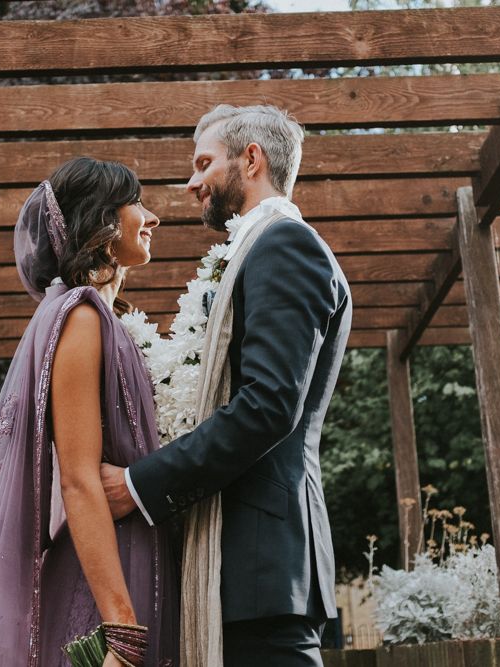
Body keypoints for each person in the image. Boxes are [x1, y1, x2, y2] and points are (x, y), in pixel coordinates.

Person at [100, 105, 352, 666]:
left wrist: (138, 484)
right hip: (242, 564)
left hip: (259, 561)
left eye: (204, 163)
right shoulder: (254, 250)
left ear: (252, 159)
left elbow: (268, 406)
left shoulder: (286, 245)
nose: (191, 182)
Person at [0, 157, 180, 667]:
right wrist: (121, 629)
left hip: (135, 555)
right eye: (137, 203)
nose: (153, 218)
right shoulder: (79, 317)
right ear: (104, 221)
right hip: (108, 581)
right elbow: (77, 478)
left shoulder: (99, 315)